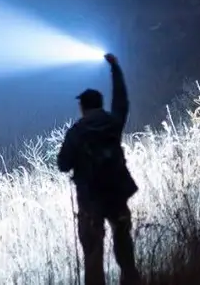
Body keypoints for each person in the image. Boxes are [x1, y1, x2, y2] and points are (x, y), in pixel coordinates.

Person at [57, 53, 141, 285]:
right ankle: (131, 280)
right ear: (100, 105)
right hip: (116, 193)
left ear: (83, 108)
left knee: (93, 252)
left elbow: (63, 165)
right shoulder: (113, 123)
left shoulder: (76, 132)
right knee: (124, 244)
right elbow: (122, 100)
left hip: (89, 199)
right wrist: (116, 69)